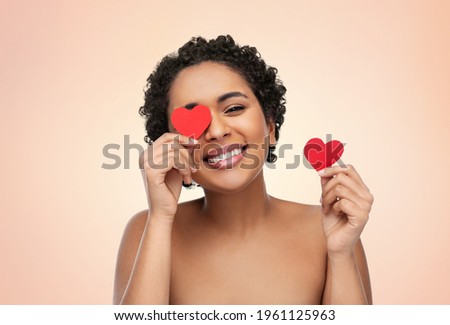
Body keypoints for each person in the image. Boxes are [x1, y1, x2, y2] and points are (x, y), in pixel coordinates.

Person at [113, 35, 374, 305]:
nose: (216, 131)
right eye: (195, 120)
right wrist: (161, 218)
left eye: (234, 108)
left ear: (270, 126)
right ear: (170, 145)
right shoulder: (147, 230)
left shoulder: (330, 231)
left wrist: (341, 254)